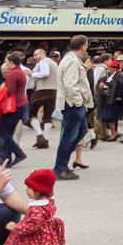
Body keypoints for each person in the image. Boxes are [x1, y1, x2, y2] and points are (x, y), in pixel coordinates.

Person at [0, 168, 65, 245]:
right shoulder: (47, 202)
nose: (26, 190)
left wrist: (15, 227)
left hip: (33, 241)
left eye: (29, 188)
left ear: (39, 190)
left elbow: (31, 226)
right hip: (42, 239)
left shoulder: (38, 209)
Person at [53, 35, 91, 180]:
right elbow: (70, 84)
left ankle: (62, 165)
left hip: (73, 103)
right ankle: (60, 168)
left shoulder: (71, 59)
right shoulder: (72, 61)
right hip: (72, 104)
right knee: (69, 136)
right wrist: (78, 101)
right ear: (83, 46)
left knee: (80, 132)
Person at [0, 53, 28, 168]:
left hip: (14, 106)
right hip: (20, 104)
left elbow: (9, 90)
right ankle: (6, 158)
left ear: (11, 62)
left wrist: (3, 86)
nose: (6, 64)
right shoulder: (20, 71)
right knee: (8, 132)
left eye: (6, 61)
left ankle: (18, 153)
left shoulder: (14, 73)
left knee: (3, 132)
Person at [27, 49, 58, 150]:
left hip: (42, 90)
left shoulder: (43, 61)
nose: (35, 57)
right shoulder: (54, 63)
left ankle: (40, 136)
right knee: (48, 116)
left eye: (37, 55)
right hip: (53, 91)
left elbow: (45, 73)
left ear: (42, 54)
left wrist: (32, 74)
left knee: (31, 113)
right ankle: (46, 139)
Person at [97, 60, 123, 141]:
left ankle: (113, 133)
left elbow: (116, 88)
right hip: (107, 99)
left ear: (115, 68)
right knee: (109, 117)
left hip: (113, 100)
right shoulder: (109, 76)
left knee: (111, 117)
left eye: (111, 67)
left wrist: (105, 86)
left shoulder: (118, 77)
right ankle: (113, 132)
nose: (109, 69)